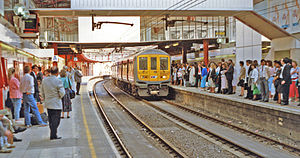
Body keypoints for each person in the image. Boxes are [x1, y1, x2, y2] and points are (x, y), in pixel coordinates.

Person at [41, 67, 65, 140]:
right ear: (57, 73)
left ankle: (53, 134)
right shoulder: (58, 81)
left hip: (48, 103)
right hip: (56, 103)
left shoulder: (44, 80)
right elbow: (62, 93)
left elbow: (42, 92)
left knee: (51, 119)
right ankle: (53, 135)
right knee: (56, 120)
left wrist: (45, 99)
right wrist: (59, 96)